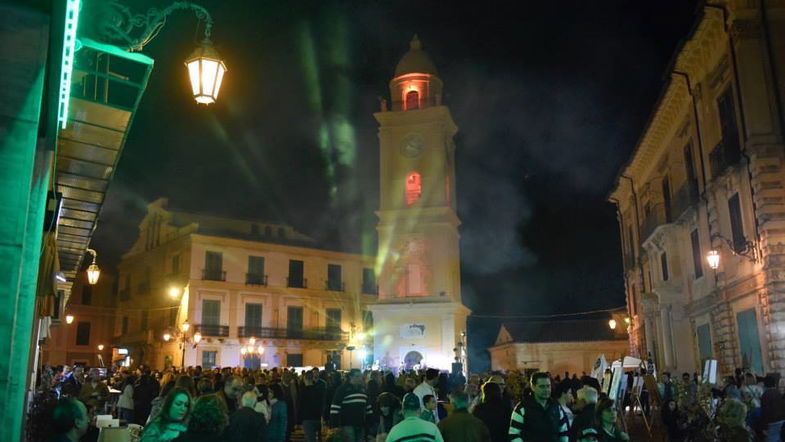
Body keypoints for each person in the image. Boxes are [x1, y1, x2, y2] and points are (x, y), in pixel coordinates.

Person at [509, 372, 563, 442]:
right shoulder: (522, 408)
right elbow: (514, 435)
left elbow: (563, 431)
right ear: (533, 387)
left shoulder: (556, 406)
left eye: (548, 386)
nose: (546, 390)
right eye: (542, 386)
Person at [330, 369, 372, 442]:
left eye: (360, 376)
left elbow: (368, 407)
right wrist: (335, 425)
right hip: (347, 424)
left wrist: (369, 422)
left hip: (361, 423)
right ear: (350, 377)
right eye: (357, 376)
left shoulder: (363, 389)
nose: (360, 378)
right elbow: (335, 408)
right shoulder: (342, 389)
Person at [758, 374, 785, 441]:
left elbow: (765, 412)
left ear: (765, 384)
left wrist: (763, 427)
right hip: (782, 421)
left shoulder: (765, 395)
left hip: (772, 423)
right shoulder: (779, 393)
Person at [301, 370, 326, 442]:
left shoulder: (303, 391)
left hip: (307, 418)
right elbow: (322, 404)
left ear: (305, 379)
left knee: (310, 438)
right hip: (317, 417)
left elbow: (301, 405)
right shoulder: (318, 390)